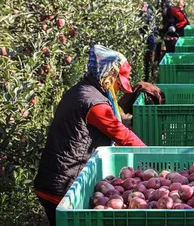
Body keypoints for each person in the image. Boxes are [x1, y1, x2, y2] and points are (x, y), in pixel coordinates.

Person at [34, 45, 146, 226]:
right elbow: (123, 136)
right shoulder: (94, 104)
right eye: (119, 82)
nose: (119, 88)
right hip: (63, 186)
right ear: (108, 77)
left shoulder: (81, 90)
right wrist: (152, 155)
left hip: (55, 178)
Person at [138, 1, 157, 81]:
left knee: (150, 57)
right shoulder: (139, 14)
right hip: (142, 38)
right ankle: (145, 76)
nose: (144, 8)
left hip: (149, 38)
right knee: (144, 59)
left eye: (145, 6)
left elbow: (152, 26)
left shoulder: (150, 13)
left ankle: (152, 75)